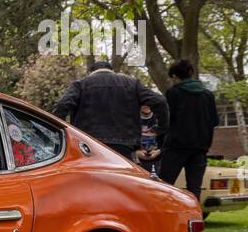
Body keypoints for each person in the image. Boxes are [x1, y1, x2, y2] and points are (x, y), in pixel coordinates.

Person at [53, 60, 168, 159]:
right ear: (112, 70)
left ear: (91, 72)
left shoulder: (81, 84)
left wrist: (60, 132)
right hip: (124, 144)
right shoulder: (132, 84)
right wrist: (161, 129)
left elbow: (63, 105)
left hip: (88, 143)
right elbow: (160, 102)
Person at [157, 60, 218, 200]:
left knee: (165, 185)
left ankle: (165, 218)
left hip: (176, 147)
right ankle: (194, 218)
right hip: (200, 148)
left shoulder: (173, 93)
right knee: (194, 188)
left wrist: (161, 142)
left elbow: (167, 121)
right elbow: (214, 121)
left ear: (174, 77)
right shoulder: (208, 95)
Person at [135, 103, 164, 173]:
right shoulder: (131, 117)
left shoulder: (161, 118)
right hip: (135, 159)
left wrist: (159, 151)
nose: (146, 104)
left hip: (156, 159)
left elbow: (167, 137)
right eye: (143, 102)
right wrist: (135, 152)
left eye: (149, 102)